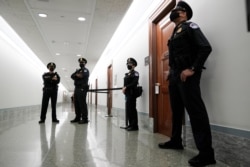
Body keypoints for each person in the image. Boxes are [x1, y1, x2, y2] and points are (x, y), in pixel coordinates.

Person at [158, 1, 216, 167]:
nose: (174, 12)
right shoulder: (175, 31)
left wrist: (192, 68)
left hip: (187, 75)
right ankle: (176, 141)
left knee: (196, 113)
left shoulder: (191, 26)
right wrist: (171, 70)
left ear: (183, 13)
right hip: (176, 75)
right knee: (176, 111)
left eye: (176, 10)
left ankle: (206, 154)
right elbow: (179, 53)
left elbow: (205, 47)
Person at [122, 58, 139, 131]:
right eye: (127, 64)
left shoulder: (135, 73)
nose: (128, 65)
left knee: (132, 109)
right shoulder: (127, 74)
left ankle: (134, 126)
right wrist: (124, 88)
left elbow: (134, 83)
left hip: (132, 93)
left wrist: (126, 87)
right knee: (128, 109)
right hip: (127, 93)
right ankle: (130, 124)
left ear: (134, 65)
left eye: (130, 64)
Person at [70, 58, 89, 124]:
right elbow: (72, 76)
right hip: (77, 88)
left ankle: (85, 119)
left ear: (85, 63)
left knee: (82, 104)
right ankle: (77, 117)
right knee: (77, 104)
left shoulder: (86, 70)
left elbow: (82, 75)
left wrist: (77, 76)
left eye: (83, 62)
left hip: (82, 88)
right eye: (80, 62)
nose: (81, 63)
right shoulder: (78, 71)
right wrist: (77, 75)